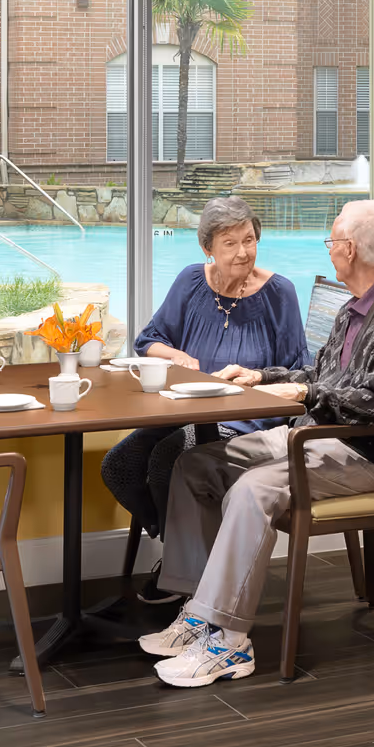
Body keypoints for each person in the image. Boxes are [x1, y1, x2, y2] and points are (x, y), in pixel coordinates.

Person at [138, 198, 374, 687]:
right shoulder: (354, 307)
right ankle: (200, 614)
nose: (329, 248)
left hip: (365, 453)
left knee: (252, 490)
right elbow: (318, 374)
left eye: (332, 239)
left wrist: (301, 391)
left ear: (349, 249)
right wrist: (262, 376)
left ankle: (230, 643)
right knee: (196, 465)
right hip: (318, 438)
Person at [99, 196, 305, 602]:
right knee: (119, 466)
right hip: (183, 412)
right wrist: (177, 356)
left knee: (165, 461)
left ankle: (187, 573)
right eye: (230, 243)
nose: (243, 252)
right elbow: (149, 340)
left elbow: (298, 369)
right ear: (207, 248)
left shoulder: (279, 293)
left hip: (248, 422)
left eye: (249, 239)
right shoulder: (192, 282)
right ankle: (187, 554)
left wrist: (256, 379)